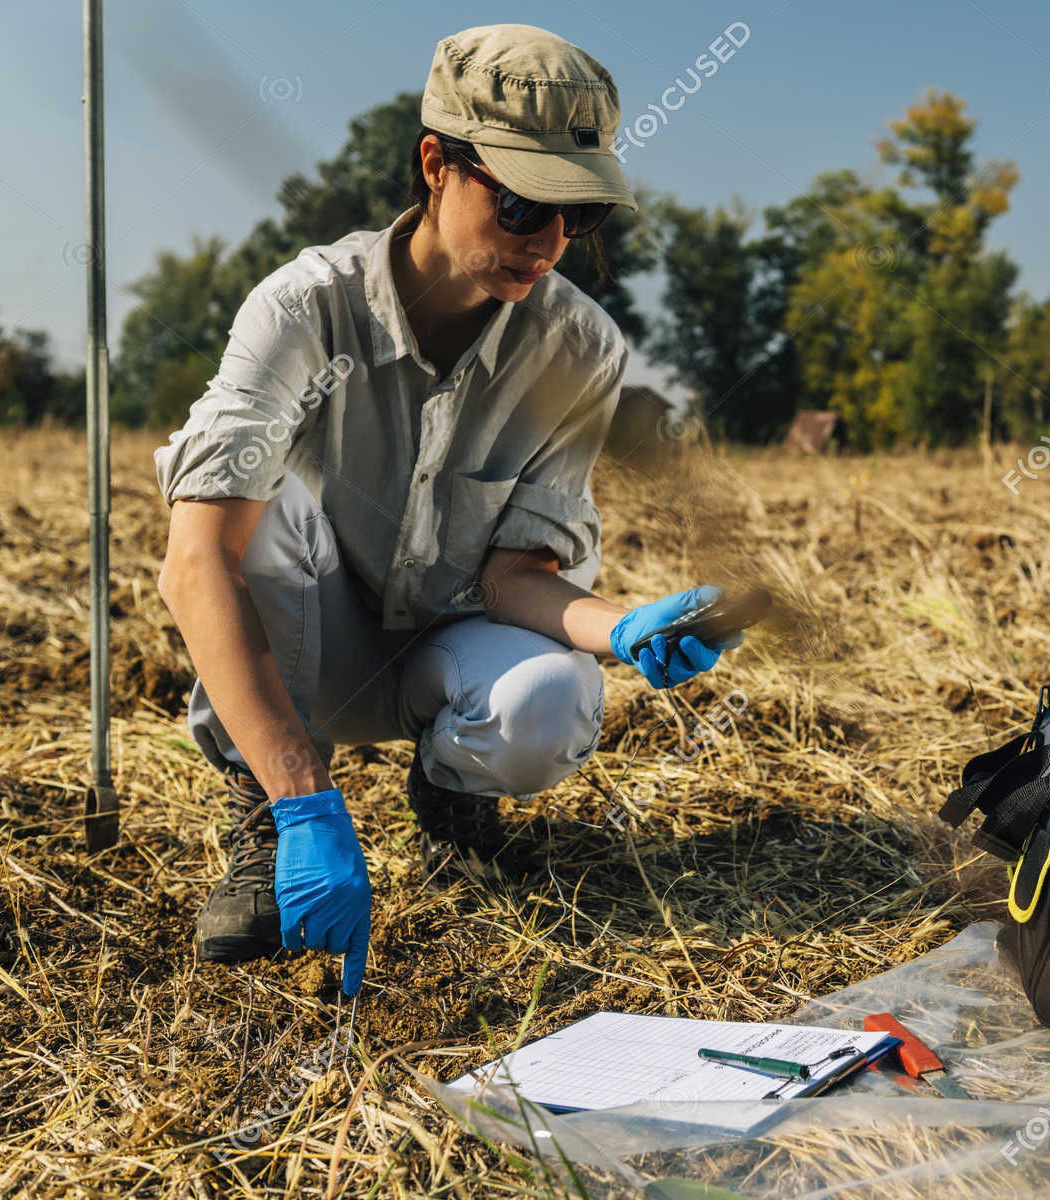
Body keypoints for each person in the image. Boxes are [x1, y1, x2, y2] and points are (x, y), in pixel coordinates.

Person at [151, 24, 742, 998]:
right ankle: (267, 815)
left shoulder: (579, 350)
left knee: (553, 698)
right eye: (521, 204)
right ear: (437, 163)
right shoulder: (305, 309)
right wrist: (304, 799)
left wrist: (622, 629)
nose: (548, 242)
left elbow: (516, 577)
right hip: (308, 645)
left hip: (446, 644)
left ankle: (457, 795)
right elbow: (195, 561)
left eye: (578, 212)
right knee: (263, 510)